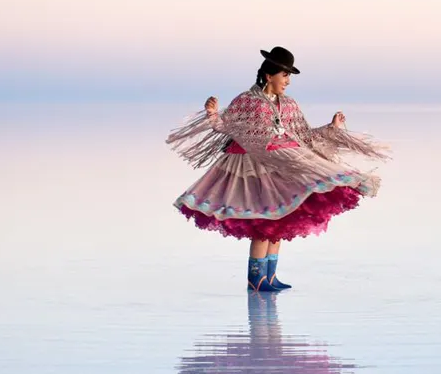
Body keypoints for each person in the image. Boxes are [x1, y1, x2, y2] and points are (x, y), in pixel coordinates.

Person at [166, 46, 389, 291]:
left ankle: (270, 275)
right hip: (253, 164)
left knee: (279, 218)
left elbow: (303, 135)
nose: (288, 81)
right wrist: (211, 115)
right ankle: (256, 278)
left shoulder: (289, 104)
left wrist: (331, 128)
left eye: (288, 76)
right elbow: (225, 125)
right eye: (284, 75)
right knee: (264, 219)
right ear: (269, 75)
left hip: (281, 159)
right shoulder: (248, 100)